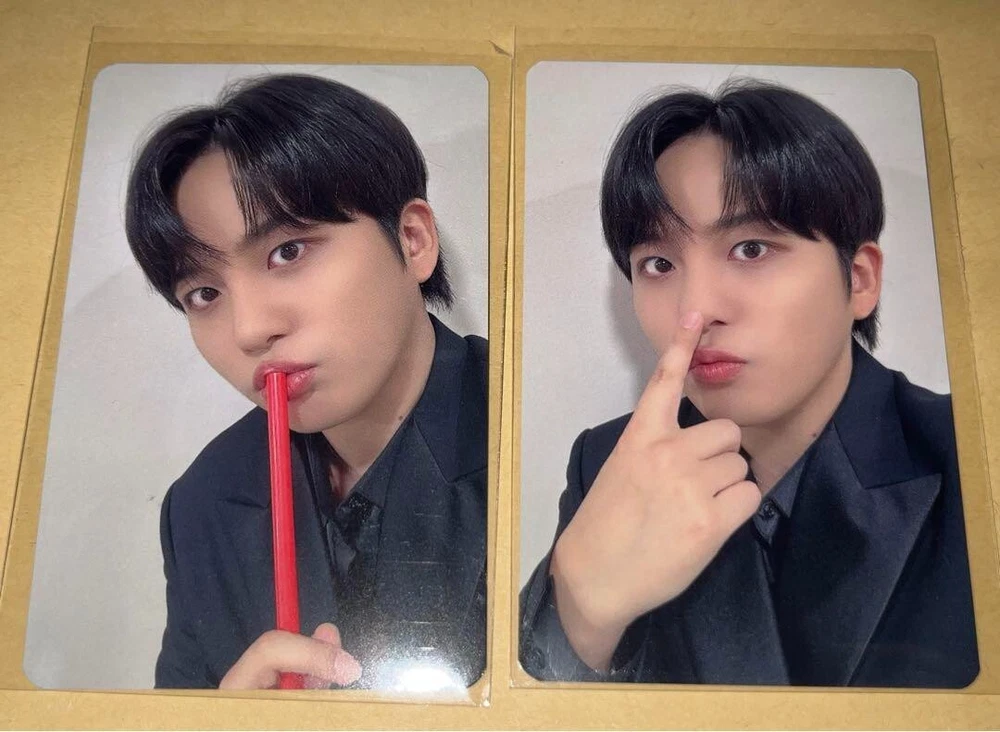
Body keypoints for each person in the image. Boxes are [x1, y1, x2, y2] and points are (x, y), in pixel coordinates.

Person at [519, 80, 978, 688]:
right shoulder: (609, 462)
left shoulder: (972, 456)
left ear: (860, 280)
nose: (697, 309)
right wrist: (580, 610)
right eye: (659, 264)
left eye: (752, 249)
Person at [125, 73, 488, 691]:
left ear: (413, 240)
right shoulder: (203, 506)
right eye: (204, 293)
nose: (249, 330)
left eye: (288, 252)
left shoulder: (530, 436)